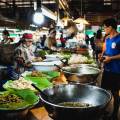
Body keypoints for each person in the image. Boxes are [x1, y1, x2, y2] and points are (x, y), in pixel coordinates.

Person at [100, 18, 120, 120]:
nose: (104, 29)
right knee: (104, 91)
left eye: (105, 27)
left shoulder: (119, 38)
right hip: (107, 69)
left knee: (115, 93)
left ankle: (115, 114)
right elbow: (105, 52)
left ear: (110, 27)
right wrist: (102, 56)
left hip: (116, 70)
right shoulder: (107, 39)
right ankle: (104, 111)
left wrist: (111, 58)